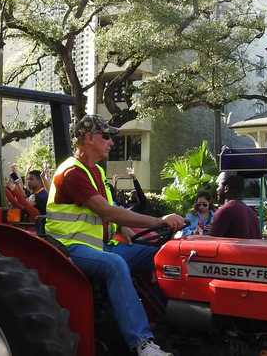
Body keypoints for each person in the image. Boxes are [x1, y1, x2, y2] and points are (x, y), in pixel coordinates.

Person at [45, 115, 185, 356]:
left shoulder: (96, 171)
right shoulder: (72, 173)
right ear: (88, 138)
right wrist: (159, 221)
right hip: (70, 247)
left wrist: (121, 227)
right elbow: (106, 211)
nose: (111, 142)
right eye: (106, 136)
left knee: (162, 255)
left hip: (101, 245)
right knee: (115, 264)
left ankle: (173, 323)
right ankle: (142, 343)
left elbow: (108, 209)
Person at [209, 174, 261, 239]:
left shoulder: (225, 211)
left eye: (218, 186)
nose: (217, 189)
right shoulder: (252, 213)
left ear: (226, 188)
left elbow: (212, 241)